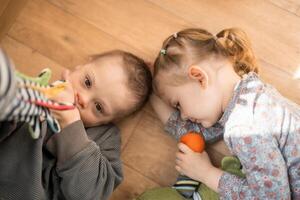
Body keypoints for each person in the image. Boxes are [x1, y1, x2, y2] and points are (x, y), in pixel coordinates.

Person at [150, 28, 300, 199]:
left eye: (178, 104)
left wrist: (206, 174)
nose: (183, 115)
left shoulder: (243, 127)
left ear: (199, 77)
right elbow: (192, 133)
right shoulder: (251, 93)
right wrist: (150, 92)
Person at [0, 49, 152, 200]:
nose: (83, 99)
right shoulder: (36, 92)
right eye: (87, 82)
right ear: (80, 66)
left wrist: (70, 124)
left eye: (99, 107)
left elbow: (93, 192)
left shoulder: (106, 137)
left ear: (110, 121)